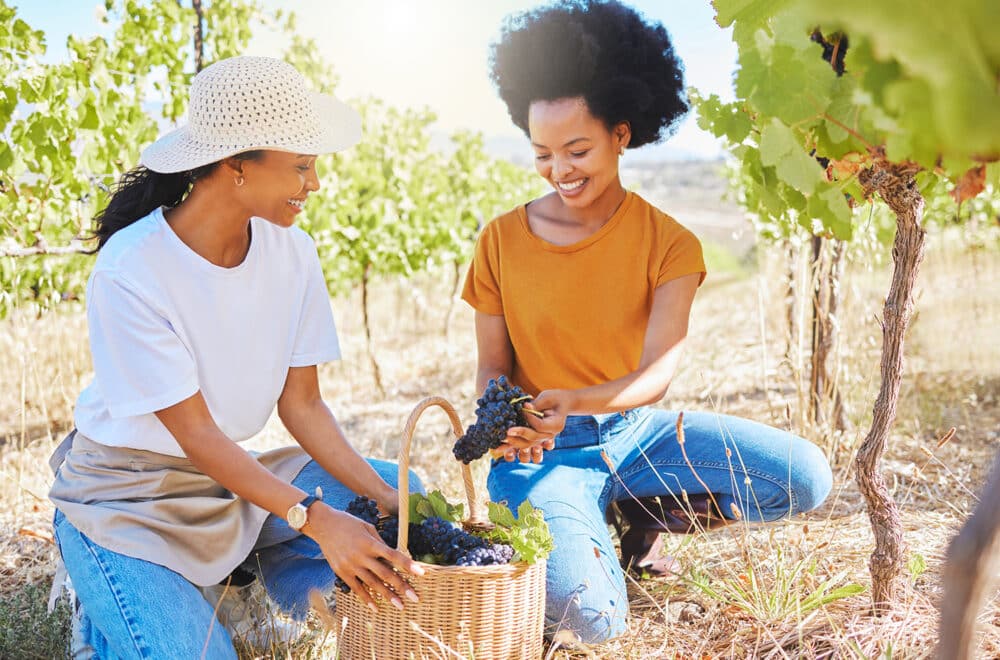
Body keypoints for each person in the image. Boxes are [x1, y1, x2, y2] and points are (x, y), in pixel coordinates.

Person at [462, 0, 834, 644]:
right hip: (540, 451)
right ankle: (582, 515)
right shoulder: (499, 240)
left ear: (622, 134)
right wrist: (505, 418)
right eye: (543, 153)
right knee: (592, 623)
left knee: (805, 477)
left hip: (637, 432)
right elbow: (492, 366)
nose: (560, 171)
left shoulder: (670, 243)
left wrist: (580, 399)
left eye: (577, 149)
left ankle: (640, 509)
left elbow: (660, 370)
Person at [47, 56, 424, 659]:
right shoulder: (132, 267)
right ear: (236, 166)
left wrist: (385, 499)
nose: (316, 184)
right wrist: (313, 518)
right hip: (128, 500)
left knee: (408, 497)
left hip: (230, 485)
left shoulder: (293, 253)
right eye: (301, 166)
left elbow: (303, 407)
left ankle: (256, 591)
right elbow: (194, 433)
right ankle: (112, 604)